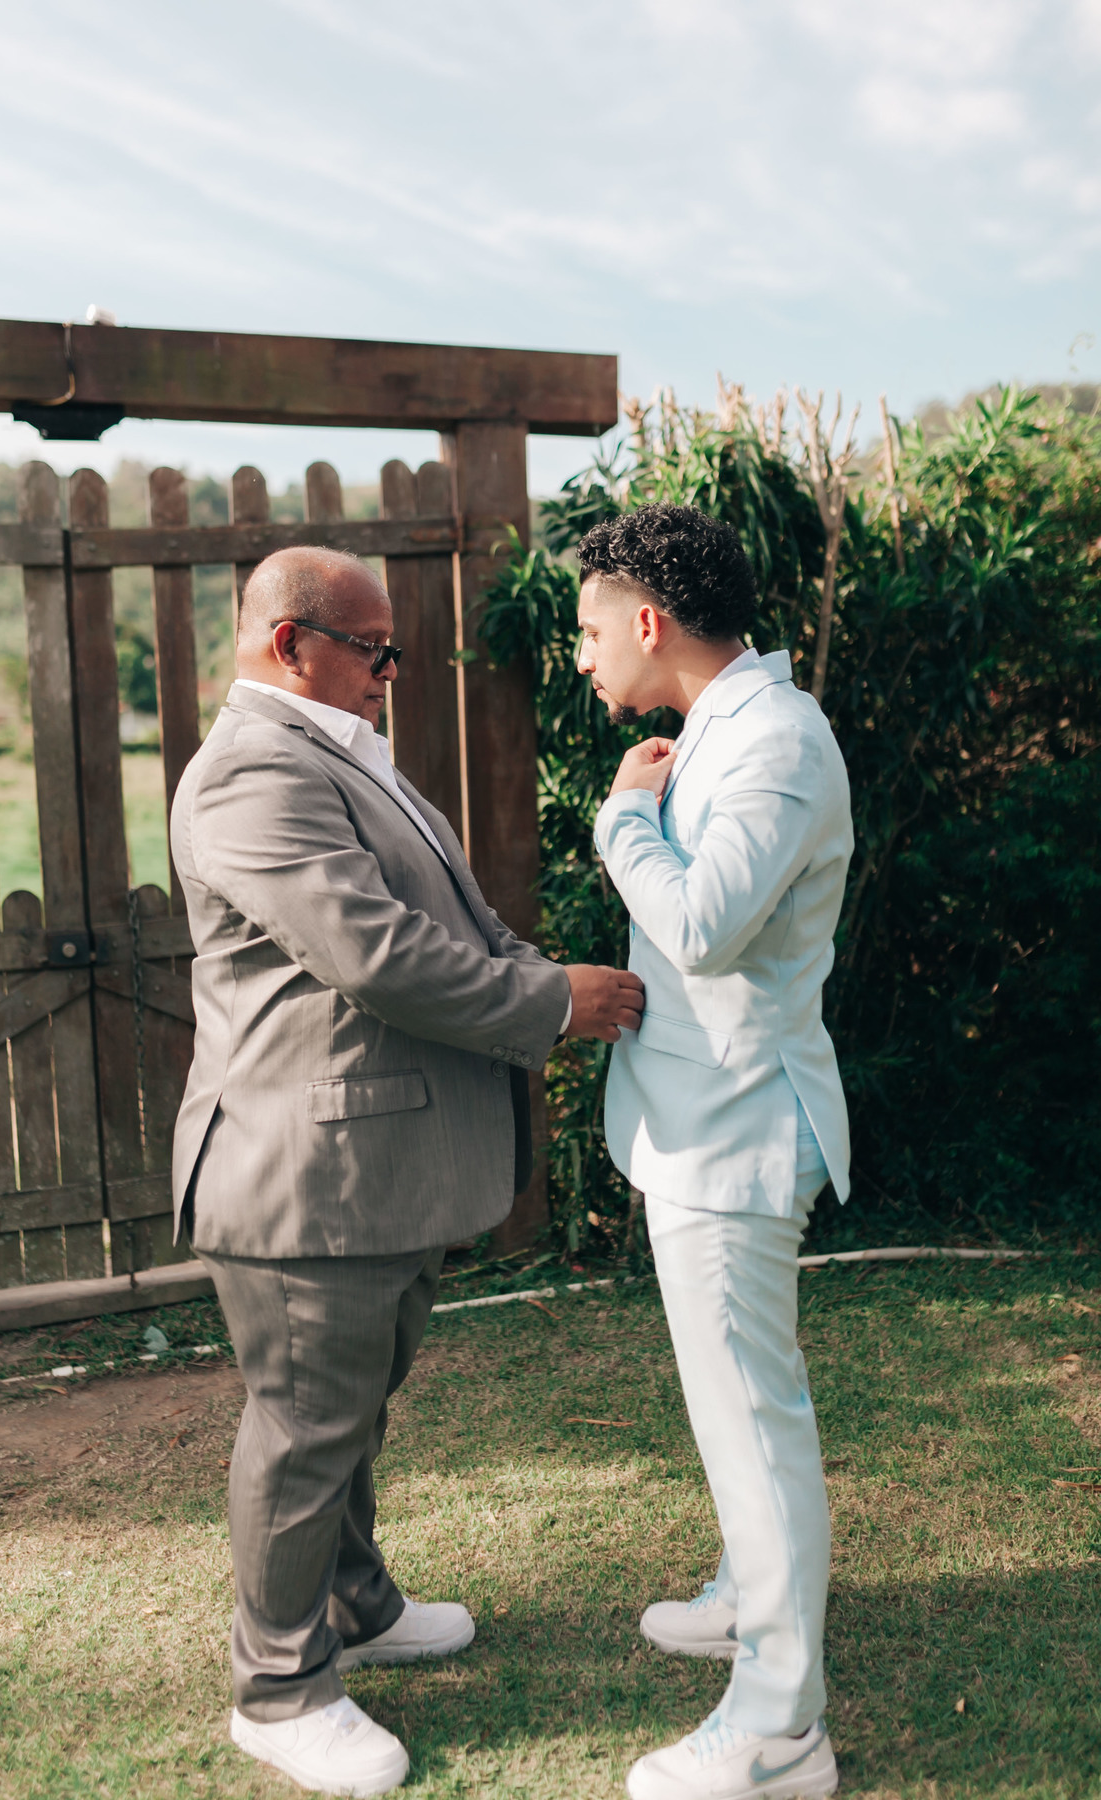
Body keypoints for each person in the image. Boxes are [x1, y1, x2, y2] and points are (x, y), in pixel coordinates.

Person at [170, 545, 643, 1798]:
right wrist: (551, 1003)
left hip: (364, 1163)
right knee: (305, 1427)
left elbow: (454, 919)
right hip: (301, 1174)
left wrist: (532, 969)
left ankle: (356, 1604)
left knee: (353, 1410)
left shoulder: (337, 751)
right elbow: (374, 953)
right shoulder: (252, 773)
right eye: (374, 648)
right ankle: (279, 1691)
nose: (393, 670)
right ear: (291, 645)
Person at [575, 504, 853, 1800]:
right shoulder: (724, 730)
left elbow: (702, 925)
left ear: (649, 621)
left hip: (740, 1134)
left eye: (590, 630)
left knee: (752, 1420)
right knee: (735, 1407)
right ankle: (750, 1590)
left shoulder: (777, 741)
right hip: (698, 1122)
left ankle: (781, 1727)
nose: (583, 655)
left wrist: (622, 818)